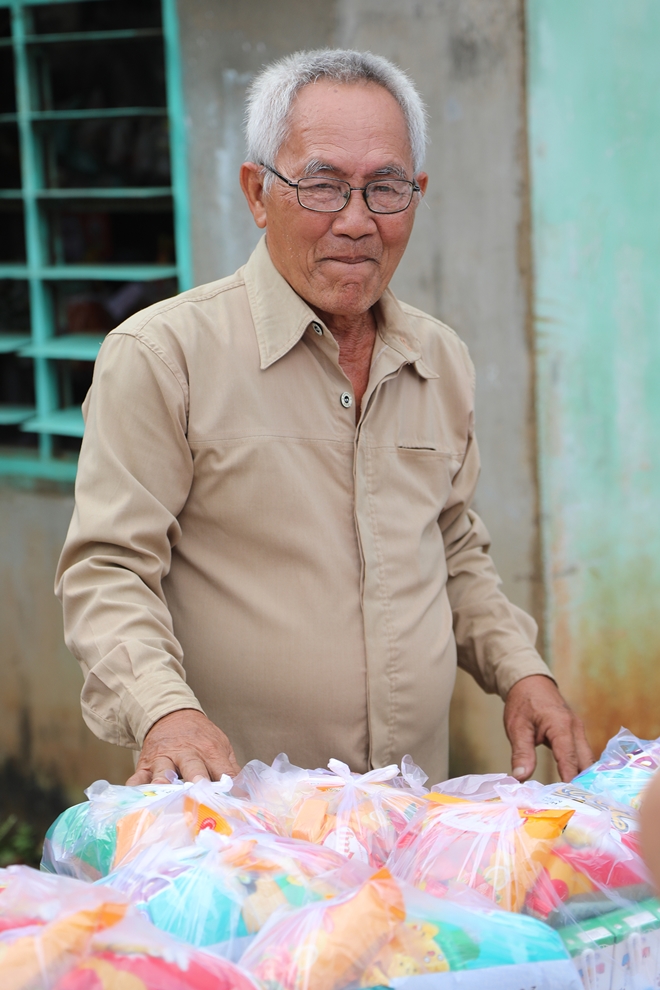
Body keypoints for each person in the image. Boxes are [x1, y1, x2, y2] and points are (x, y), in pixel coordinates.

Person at [56, 49, 593, 788]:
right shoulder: (163, 355)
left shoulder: (440, 359)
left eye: (385, 188)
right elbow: (107, 569)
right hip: (241, 833)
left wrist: (522, 672)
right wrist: (162, 712)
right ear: (257, 193)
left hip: (409, 818)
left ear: (418, 193)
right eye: (322, 186)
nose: (355, 221)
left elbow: (453, 545)